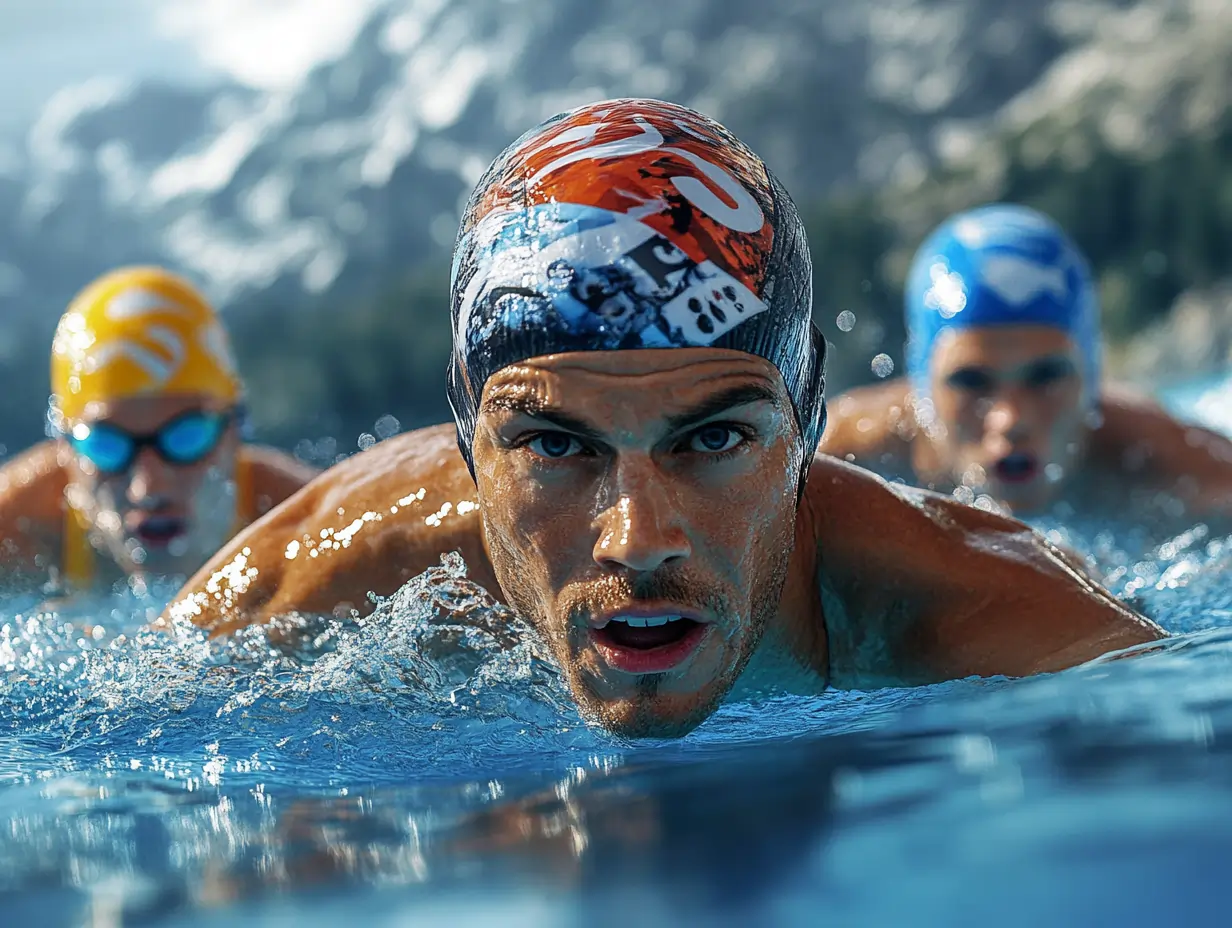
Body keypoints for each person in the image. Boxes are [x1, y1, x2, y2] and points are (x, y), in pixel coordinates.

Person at [167, 100, 1164, 738]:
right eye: (555, 444)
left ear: (807, 422)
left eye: (713, 438)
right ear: (468, 440)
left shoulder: (976, 610)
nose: (639, 541)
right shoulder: (340, 570)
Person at [820, 204, 1232, 520]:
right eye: (971, 380)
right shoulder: (840, 454)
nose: (1010, 417)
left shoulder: (1160, 459)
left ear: (1091, 379)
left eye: (1045, 375)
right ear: (923, 383)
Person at [0, 266, 317, 593]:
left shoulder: (304, 521)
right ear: (64, 448)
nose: (148, 489)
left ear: (234, 431)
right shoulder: (16, 529)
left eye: (187, 437)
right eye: (106, 444)